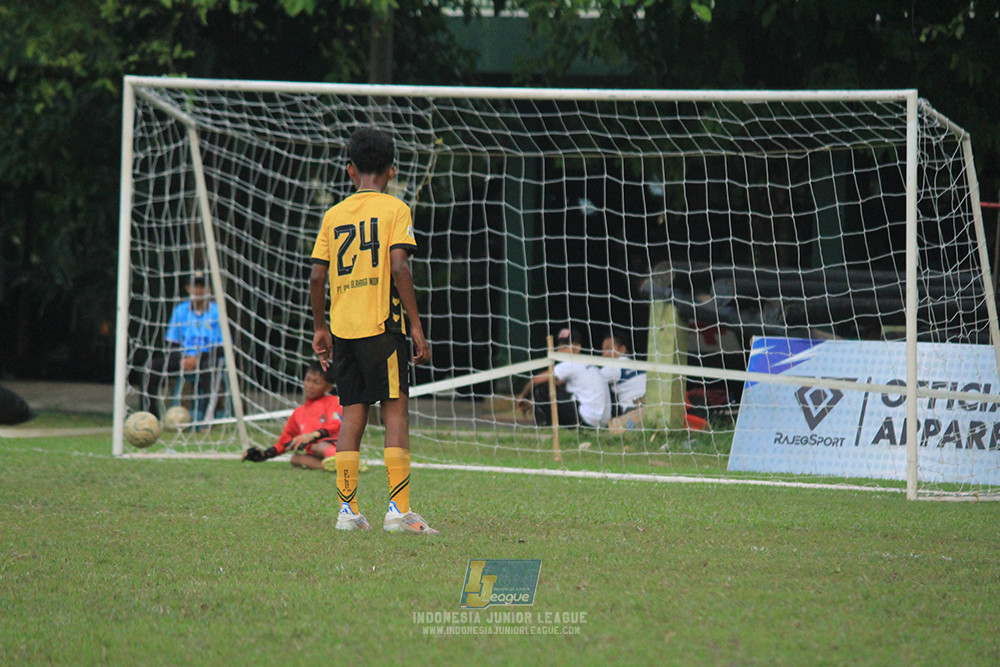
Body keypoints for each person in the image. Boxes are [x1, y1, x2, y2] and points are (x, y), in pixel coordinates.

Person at [309, 126, 436, 535]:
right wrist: (416, 326)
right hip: (383, 327)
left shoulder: (333, 215)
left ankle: (348, 513)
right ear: (392, 171)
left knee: (352, 416)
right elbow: (400, 267)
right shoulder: (395, 209)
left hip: (343, 329)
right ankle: (398, 512)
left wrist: (320, 327)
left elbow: (316, 276)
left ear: (350, 171)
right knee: (395, 410)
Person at [131, 271, 223, 419]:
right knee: (149, 368)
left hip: (206, 358)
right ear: (188, 288)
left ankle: (206, 420)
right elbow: (172, 342)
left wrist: (197, 358)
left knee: (210, 369)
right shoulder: (180, 311)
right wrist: (183, 358)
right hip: (182, 357)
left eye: (202, 286)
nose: (198, 290)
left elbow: (222, 346)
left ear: (209, 289)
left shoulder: (217, 312)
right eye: (195, 286)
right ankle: (150, 417)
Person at [242, 362, 343, 470]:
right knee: (295, 459)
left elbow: (337, 424)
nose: (309, 385)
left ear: (328, 388)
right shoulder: (298, 413)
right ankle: (330, 466)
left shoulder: (333, 402)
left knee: (319, 446)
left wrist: (313, 435)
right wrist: (263, 455)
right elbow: (284, 443)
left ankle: (343, 461)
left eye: (316, 382)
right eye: (308, 380)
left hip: (335, 446)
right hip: (315, 454)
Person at [516, 327, 611, 429]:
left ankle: (544, 428)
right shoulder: (587, 363)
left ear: (577, 347)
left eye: (565, 346)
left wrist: (522, 396)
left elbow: (535, 380)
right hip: (600, 422)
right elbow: (559, 385)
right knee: (551, 388)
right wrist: (533, 401)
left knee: (543, 389)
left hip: (587, 420)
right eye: (560, 345)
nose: (561, 349)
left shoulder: (572, 363)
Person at [600, 332, 647, 417]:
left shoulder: (616, 365)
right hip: (651, 406)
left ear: (622, 349)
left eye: (608, 349)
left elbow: (592, 379)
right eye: (603, 351)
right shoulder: (639, 365)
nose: (604, 354)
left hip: (633, 411)